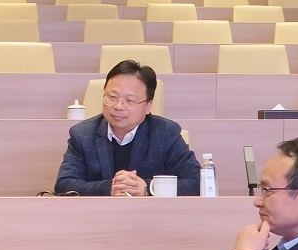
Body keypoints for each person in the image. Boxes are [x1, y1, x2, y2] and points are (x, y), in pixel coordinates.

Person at [54, 60, 201, 196]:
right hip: (99, 213)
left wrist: (148, 187)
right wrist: (111, 188)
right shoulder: (82, 134)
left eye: (129, 100)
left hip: (151, 214)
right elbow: (64, 184)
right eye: (112, 97)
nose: (118, 106)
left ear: (148, 106)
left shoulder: (166, 133)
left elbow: (197, 182)